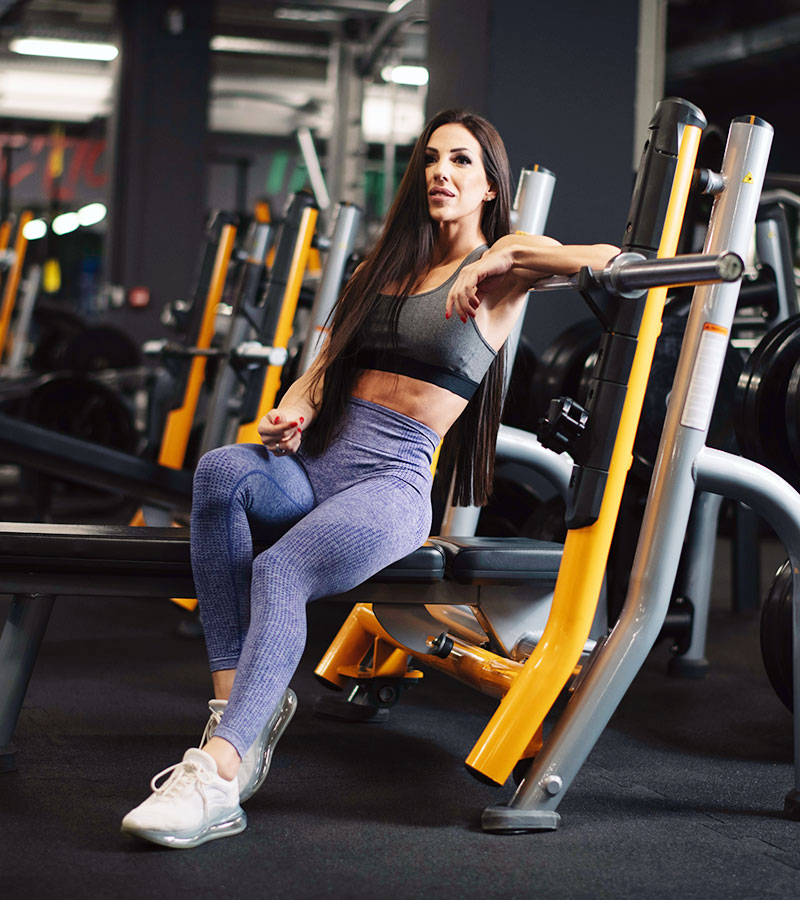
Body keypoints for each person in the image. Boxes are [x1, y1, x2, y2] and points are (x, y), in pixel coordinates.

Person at [121, 109, 619, 848]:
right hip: (316, 465)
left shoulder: (509, 259)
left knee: (282, 569)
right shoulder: (375, 271)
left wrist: (494, 263)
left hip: (389, 484)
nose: (440, 173)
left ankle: (218, 778)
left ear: (489, 186)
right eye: (430, 160)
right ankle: (237, 723)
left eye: (460, 162)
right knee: (223, 470)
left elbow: (610, 260)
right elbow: (317, 375)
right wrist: (288, 412)